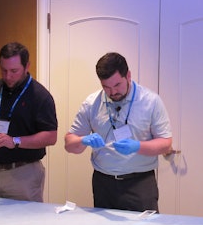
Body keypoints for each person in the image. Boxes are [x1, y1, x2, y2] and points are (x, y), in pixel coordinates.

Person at [65, 52, 172, 212]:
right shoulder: (92, 103)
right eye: (106, 87)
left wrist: (138, 146)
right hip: (104, 183)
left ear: (128, 76)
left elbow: (165, 144)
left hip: (140, 183)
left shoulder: (150, 101)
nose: (112, 92)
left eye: (117, 85)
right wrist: (83, 140)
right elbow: (69, 144)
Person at [0, 42, 58, 202]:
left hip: (24, 174)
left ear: (27, 66)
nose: (8, 76)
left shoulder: (40, 96)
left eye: (14, 71)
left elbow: (51, 136)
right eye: (4, 70)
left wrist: (15, 141)